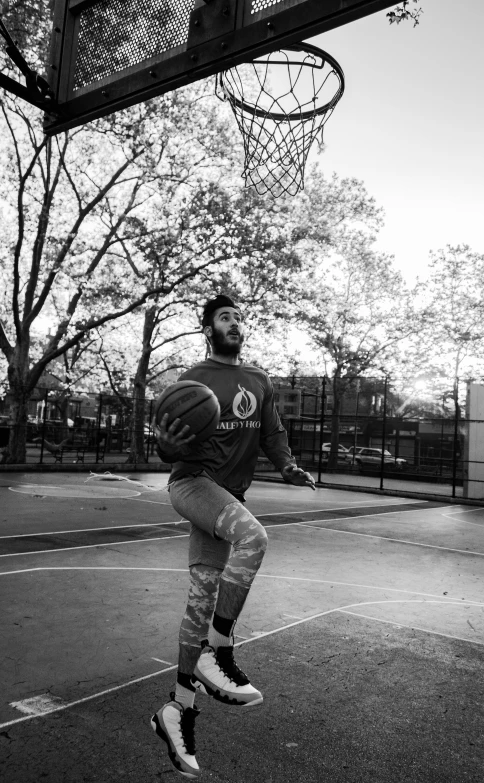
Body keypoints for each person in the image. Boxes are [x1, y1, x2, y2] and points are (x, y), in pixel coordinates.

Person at [151, 294, 315, 779]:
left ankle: (177, 710)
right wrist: (165, 445)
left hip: (229, 494)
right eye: (225, 317)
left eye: (240, 318)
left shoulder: (258, 381)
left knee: (200, 598)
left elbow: (272, 433)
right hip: (193, 483)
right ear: (209, 329)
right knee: (254, 539)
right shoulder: (192, 380)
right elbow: (164, 443)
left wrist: (287, 465)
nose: (235, 323)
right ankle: (218, 650)